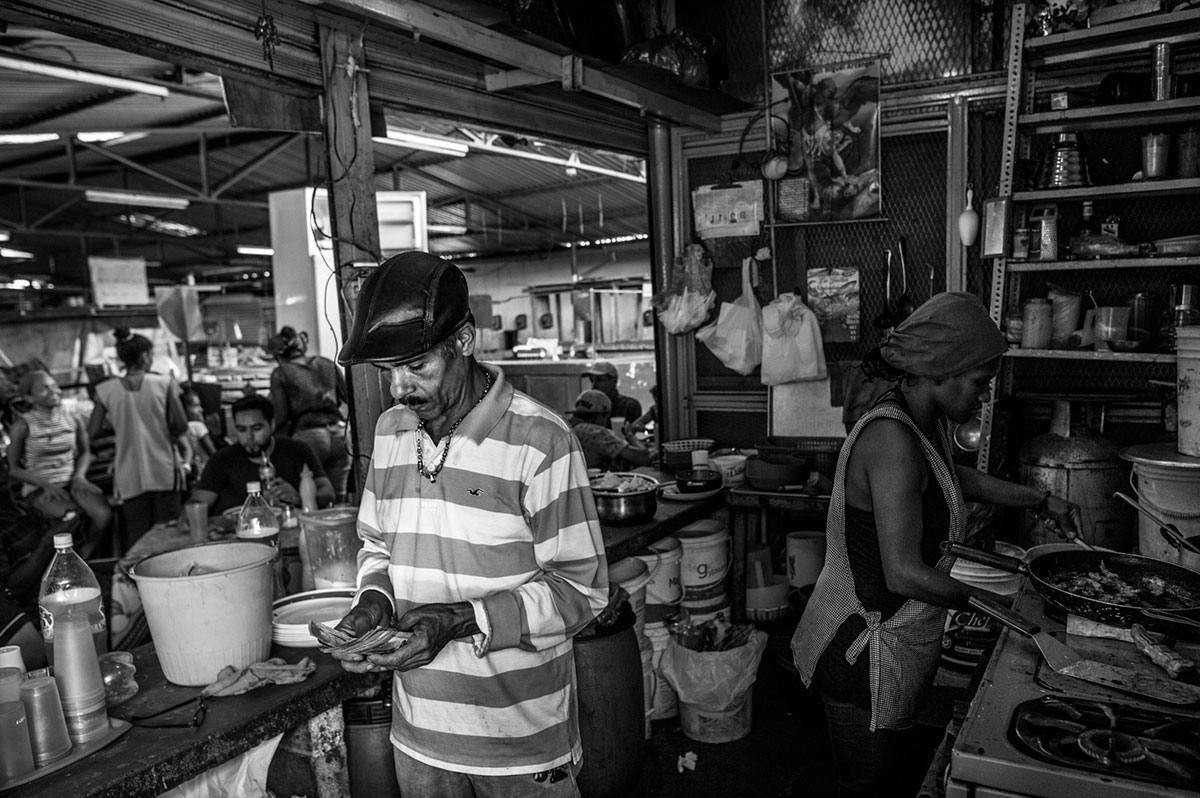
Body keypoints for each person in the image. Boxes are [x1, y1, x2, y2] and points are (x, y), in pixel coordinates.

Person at [330, 250, 608, 797]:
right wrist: (374, 602)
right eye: (388, 372)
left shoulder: (541, 442)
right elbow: (376, 546)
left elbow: (582, 591)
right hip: (421, 735)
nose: (400, 389)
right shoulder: (390, 433)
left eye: (417, 366)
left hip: (522, 740)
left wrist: (461, 620)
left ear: (463, 341)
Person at [790, 293, 1082, 798]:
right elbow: (903, 573)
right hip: (864, 654)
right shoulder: (891, 439)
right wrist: (1005, 610)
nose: (984, 398)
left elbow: (950, 478)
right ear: (942, 373)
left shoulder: (920, 423)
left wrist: (1037, 500)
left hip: (895, 640)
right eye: (979, 384)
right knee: (867, 786)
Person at [88, 328, 192, 547]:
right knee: (169, 534)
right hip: (163, 468)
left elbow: (92, 432)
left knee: (139, 537)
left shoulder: (105, 390)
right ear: (145, 356)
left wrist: (119, 426)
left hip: (128, 473)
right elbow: (181, 425)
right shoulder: (164, 384)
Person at [6, 370, 110, 557]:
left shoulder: (72, 418)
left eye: (54, 386)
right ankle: (59, 564)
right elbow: (13, 469)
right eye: (44, 389)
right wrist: (46, 485)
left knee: (102, 514)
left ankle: (84, 559)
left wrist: (79, 476)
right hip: (39, 488)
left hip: (72, 482)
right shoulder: (23, 425)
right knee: (73, 517)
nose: (53, 391)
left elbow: (86, 452)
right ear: (29, 398)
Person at [188, 394, 334, 514]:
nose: (249, 437)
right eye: (241, 430)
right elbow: (199, 503)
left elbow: (327, 493)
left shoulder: (296, 450)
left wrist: (300, 496)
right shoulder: (222, 460)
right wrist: (189, 515)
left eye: (256, 428)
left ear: (272, 425)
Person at [266, 326, 351, 500]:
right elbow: (350, 397)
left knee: (310, 497)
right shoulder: (326, 363)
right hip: (340, 434)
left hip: (309, 437)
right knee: (337, 499)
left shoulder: (280, 373)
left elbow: (281, 417)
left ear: (278, 356)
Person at [567, 389, 652, 471]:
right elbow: (644, 458)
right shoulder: (597, 433)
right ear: (601, 416)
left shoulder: (568, 427)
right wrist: (630, 435)